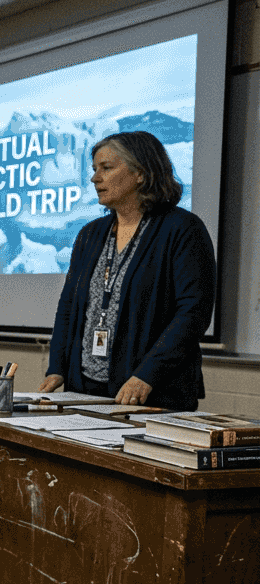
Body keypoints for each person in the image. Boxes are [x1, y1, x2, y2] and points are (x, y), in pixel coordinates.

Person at [40, 131, 215, 411]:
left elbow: (193, 313)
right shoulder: (90, 234)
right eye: (94, 169)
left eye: (106, 168)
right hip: (83, 389)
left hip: (152, 393)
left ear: (141, 174)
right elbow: (69, 307)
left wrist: (146, 376)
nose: (95, 178)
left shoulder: (182, 229)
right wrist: (58, 367)